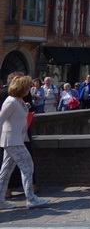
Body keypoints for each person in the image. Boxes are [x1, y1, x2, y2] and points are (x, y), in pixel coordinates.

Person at [0, 75, 50, 209]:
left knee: (6, 170)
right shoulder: (11, 101)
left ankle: (1, 199)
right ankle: (31, 198)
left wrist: (26, 107)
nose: (30, 88)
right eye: (28, 86)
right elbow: (1, 119)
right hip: (12, 140)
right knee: (27, 166)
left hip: (15, 139)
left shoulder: (18, 101)